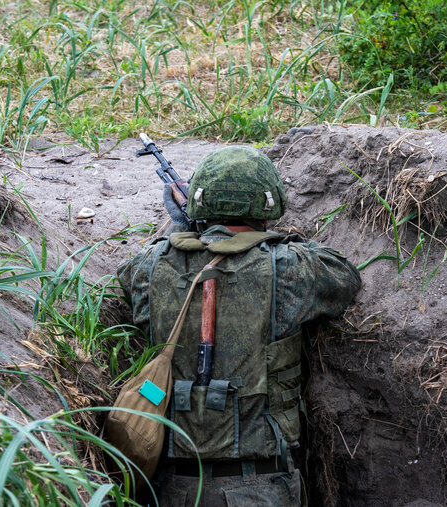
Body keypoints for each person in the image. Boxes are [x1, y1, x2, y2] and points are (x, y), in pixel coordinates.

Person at [117, 146, 361, 506]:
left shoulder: (151, 265)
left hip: (169, 488)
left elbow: (130, 275)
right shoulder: (287, 267)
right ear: (268, 203)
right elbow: (345, 276)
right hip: (261, 487)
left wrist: (184, 228)